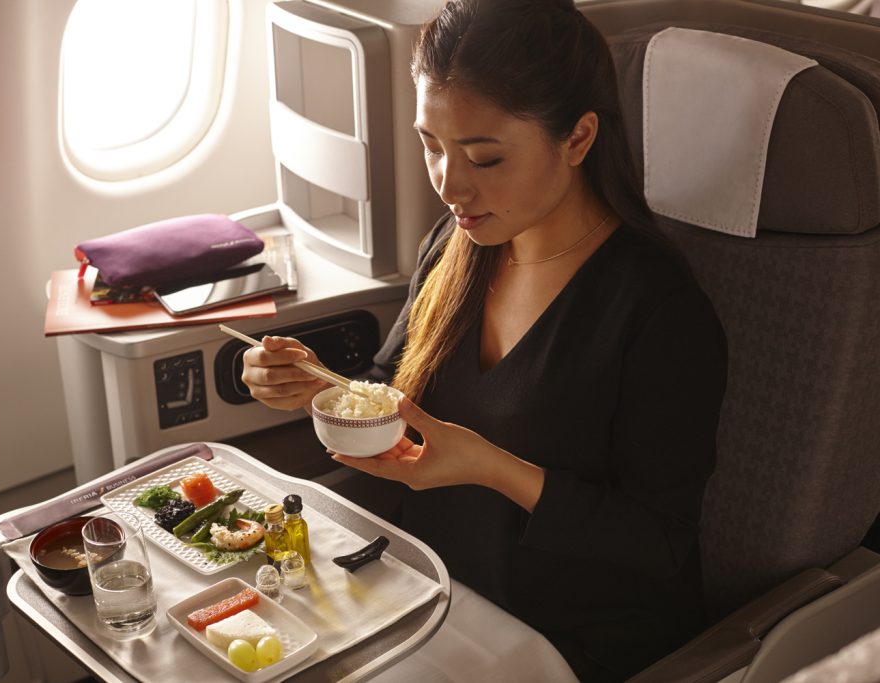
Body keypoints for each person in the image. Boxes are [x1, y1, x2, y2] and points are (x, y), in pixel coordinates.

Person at [240, 0, 728, 680]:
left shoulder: (660, 313)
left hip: (568, 638)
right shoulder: (459, 246)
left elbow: (659, 543)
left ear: (578, 139)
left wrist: (492, 466)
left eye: (486, 157)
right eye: (431, 144)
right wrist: (315, 381)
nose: (448, 183)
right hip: (430, 590)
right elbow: (394, 393)